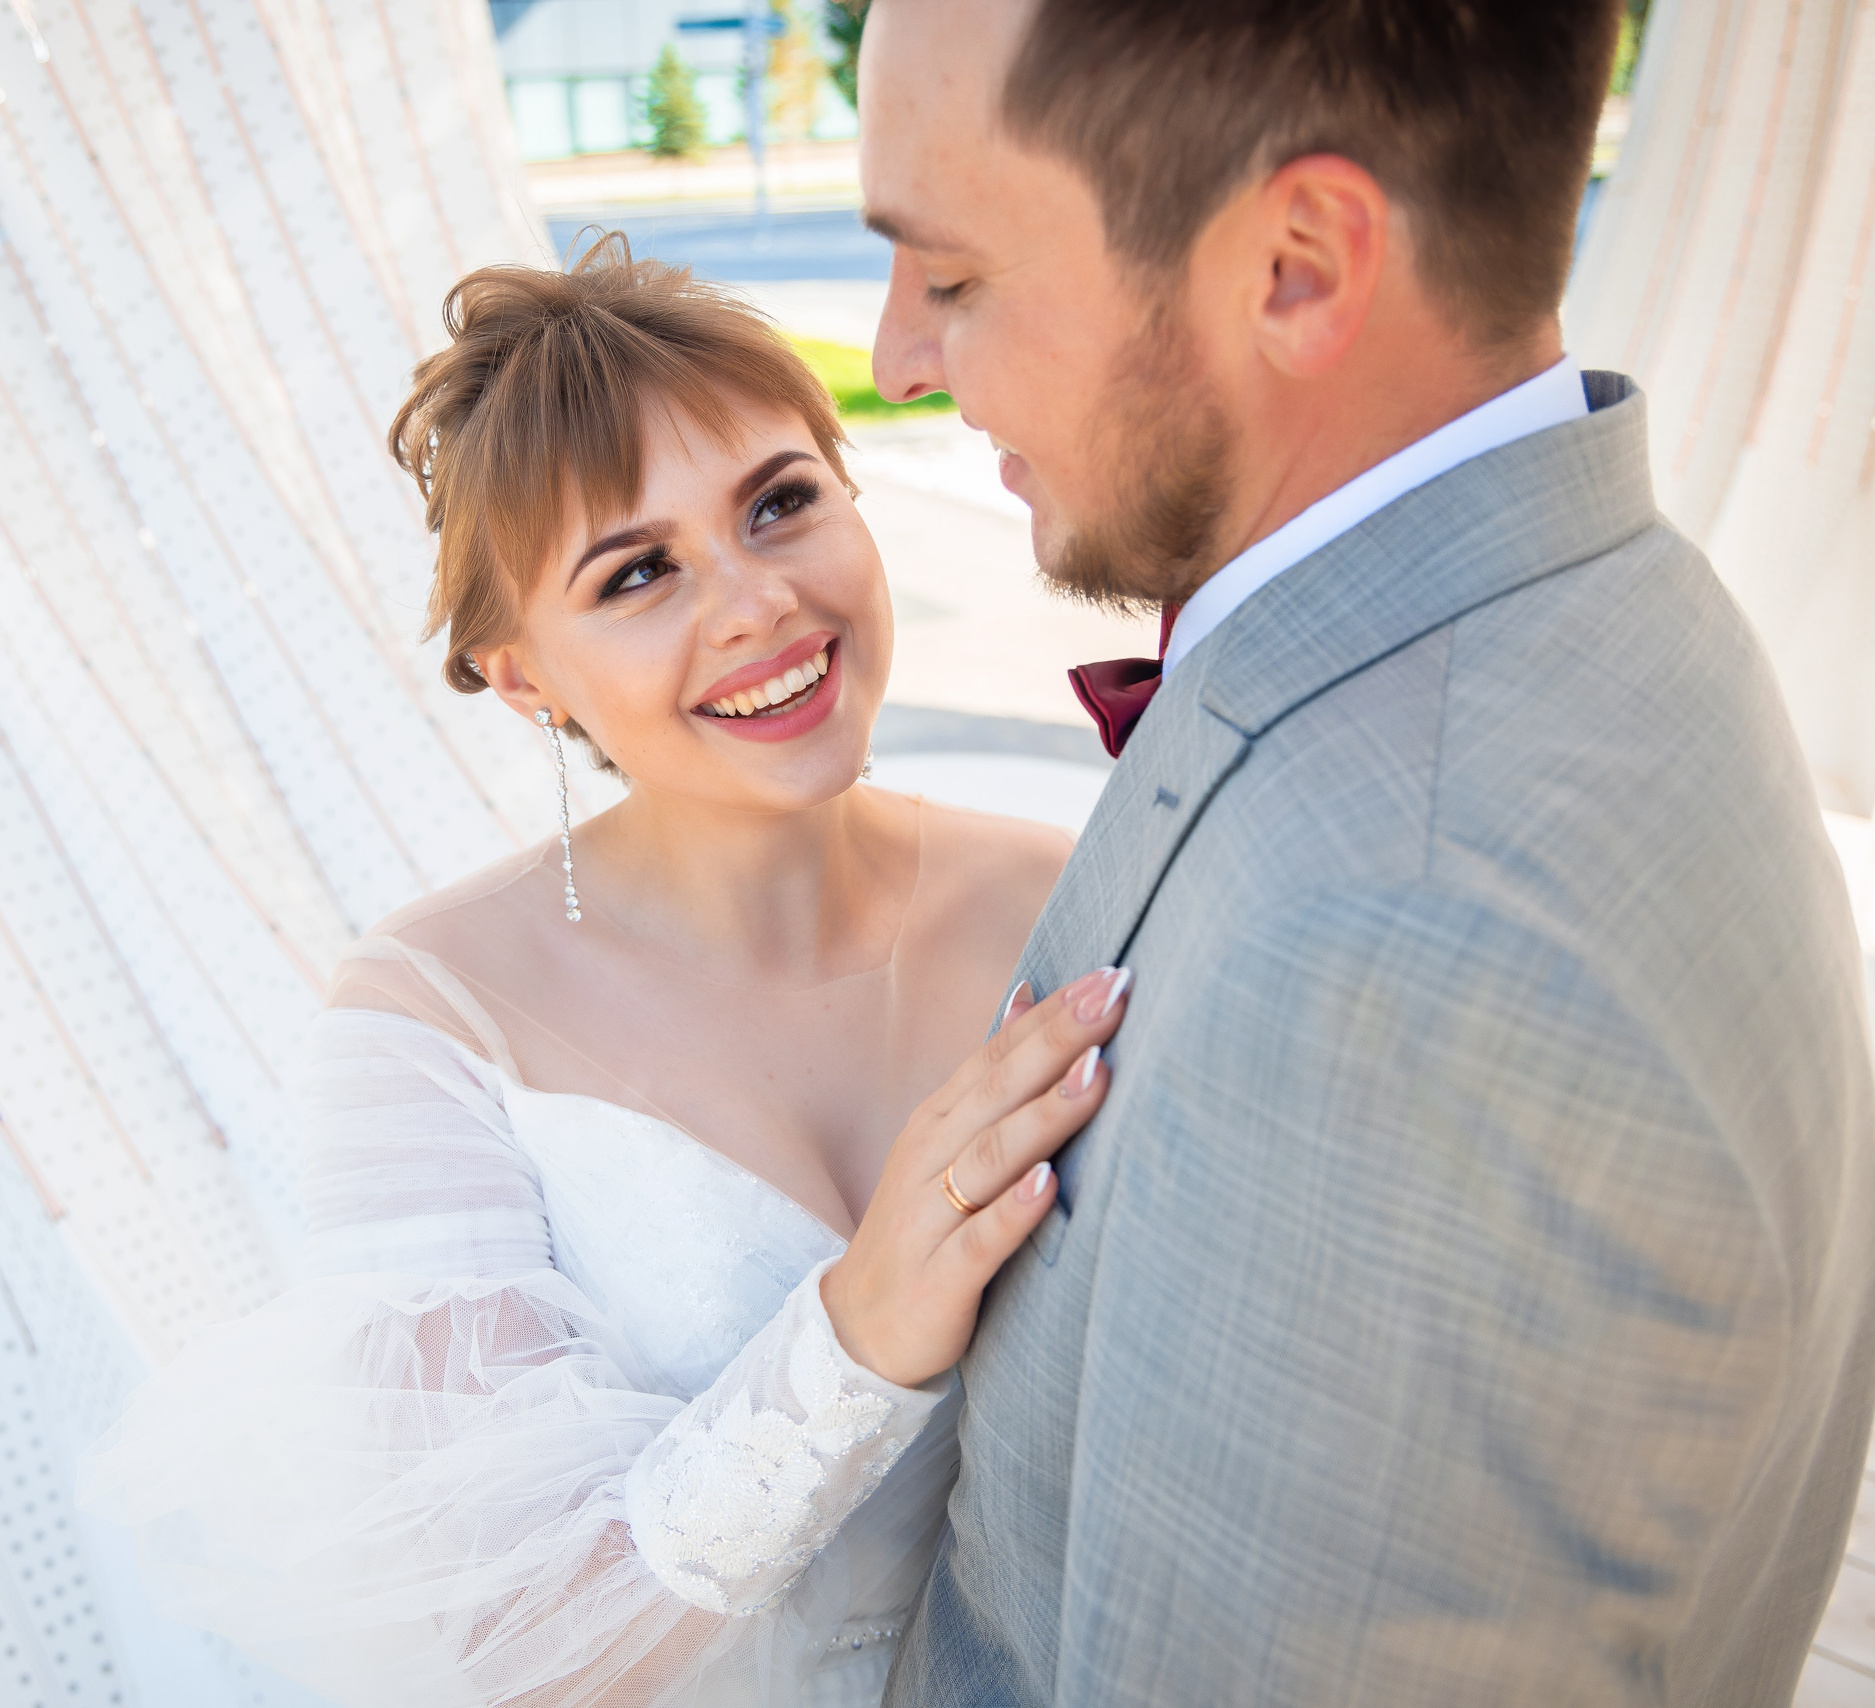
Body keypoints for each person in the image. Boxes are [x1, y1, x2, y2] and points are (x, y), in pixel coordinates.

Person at [856, 2, 1875, 1704]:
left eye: (954, 275)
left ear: (1300, 266)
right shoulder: (1610, 594)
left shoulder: (1397, 949)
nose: (897, 355)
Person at [79, 235, 1123, 1706]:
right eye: (638, 574)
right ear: (525, 679)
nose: (757, 604)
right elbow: (512, 1645)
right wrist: (857, 1340)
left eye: (781, 503)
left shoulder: (1065, 889)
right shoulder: (434, 1020)